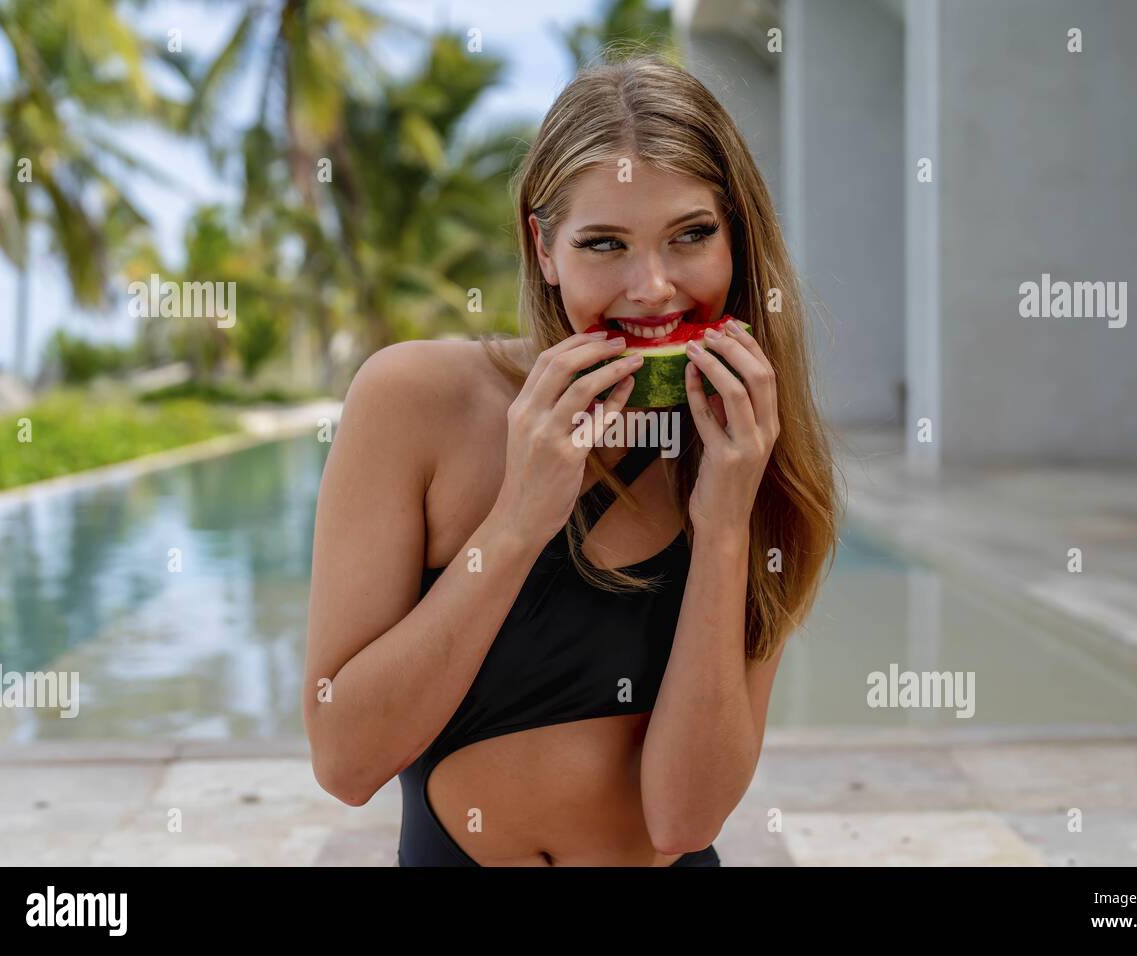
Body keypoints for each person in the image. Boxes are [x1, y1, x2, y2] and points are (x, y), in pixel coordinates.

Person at [303, 52, 840, 867]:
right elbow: (346, 762)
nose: (652, 287)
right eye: (605, 244)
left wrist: (726, 520)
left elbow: (683, 819)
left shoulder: (757, 457)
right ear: (545, 249)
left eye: (690, 235)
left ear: (737, 240)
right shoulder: (414, 400)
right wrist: (519, 520)